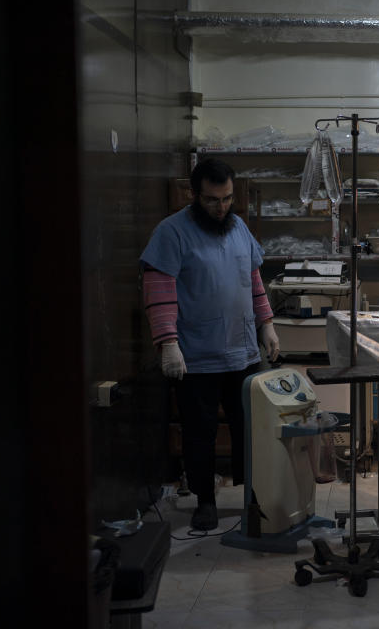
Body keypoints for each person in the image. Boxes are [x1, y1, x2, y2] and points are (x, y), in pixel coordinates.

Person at [140, 158, 280, 531]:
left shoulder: (238, 228)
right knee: (199, 433)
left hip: (243, 352)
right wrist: (168, 342)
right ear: (193, 194)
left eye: (228, 199)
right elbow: (159, 291)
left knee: (250, 429)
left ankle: (253, 495)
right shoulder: (172, 233)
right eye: (213, 200)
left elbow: (253, 280)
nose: (221, 208)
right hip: (197, 355)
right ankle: (205, 500)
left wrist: (266, 323)